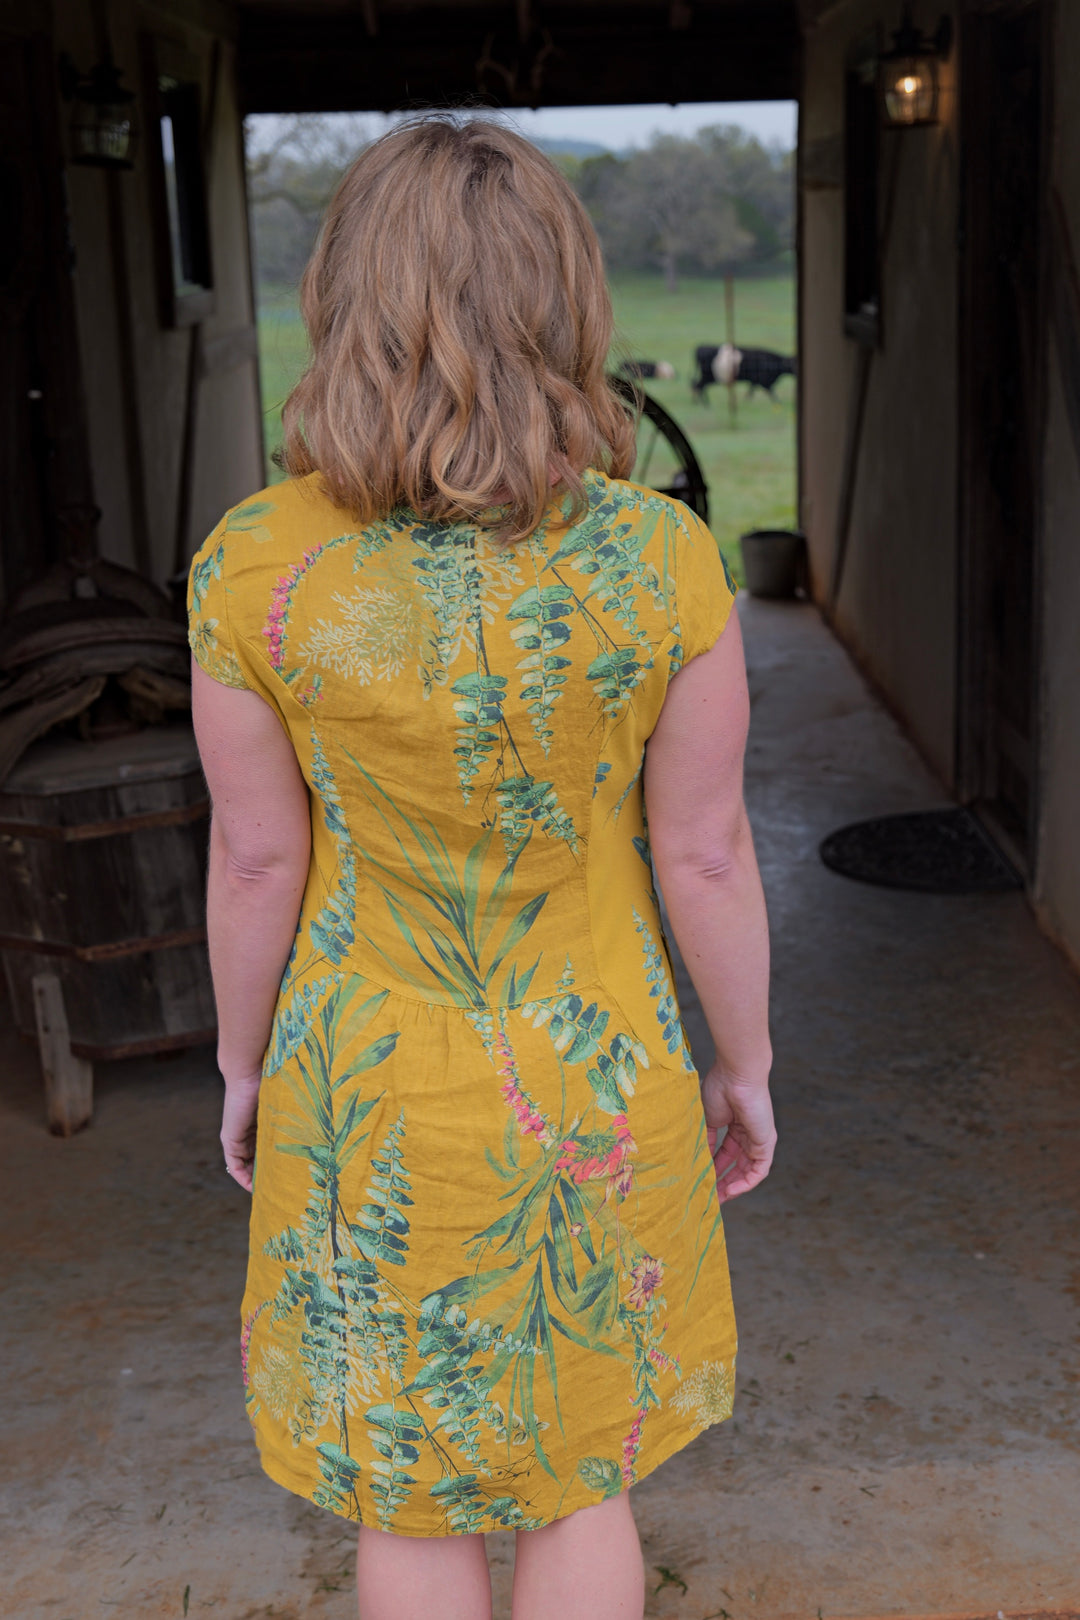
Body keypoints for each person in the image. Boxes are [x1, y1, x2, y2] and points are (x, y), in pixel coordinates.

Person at [188, 115, 774, 1620]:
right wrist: (747, 1062)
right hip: (596, 1068)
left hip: (368, 1078)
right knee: (583, 1478)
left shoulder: (258, 566)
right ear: (564, 301)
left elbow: (258, 863)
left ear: (343, 299)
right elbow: (703, 854)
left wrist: (244, 1066)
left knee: (412, 1480)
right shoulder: (663, 561)